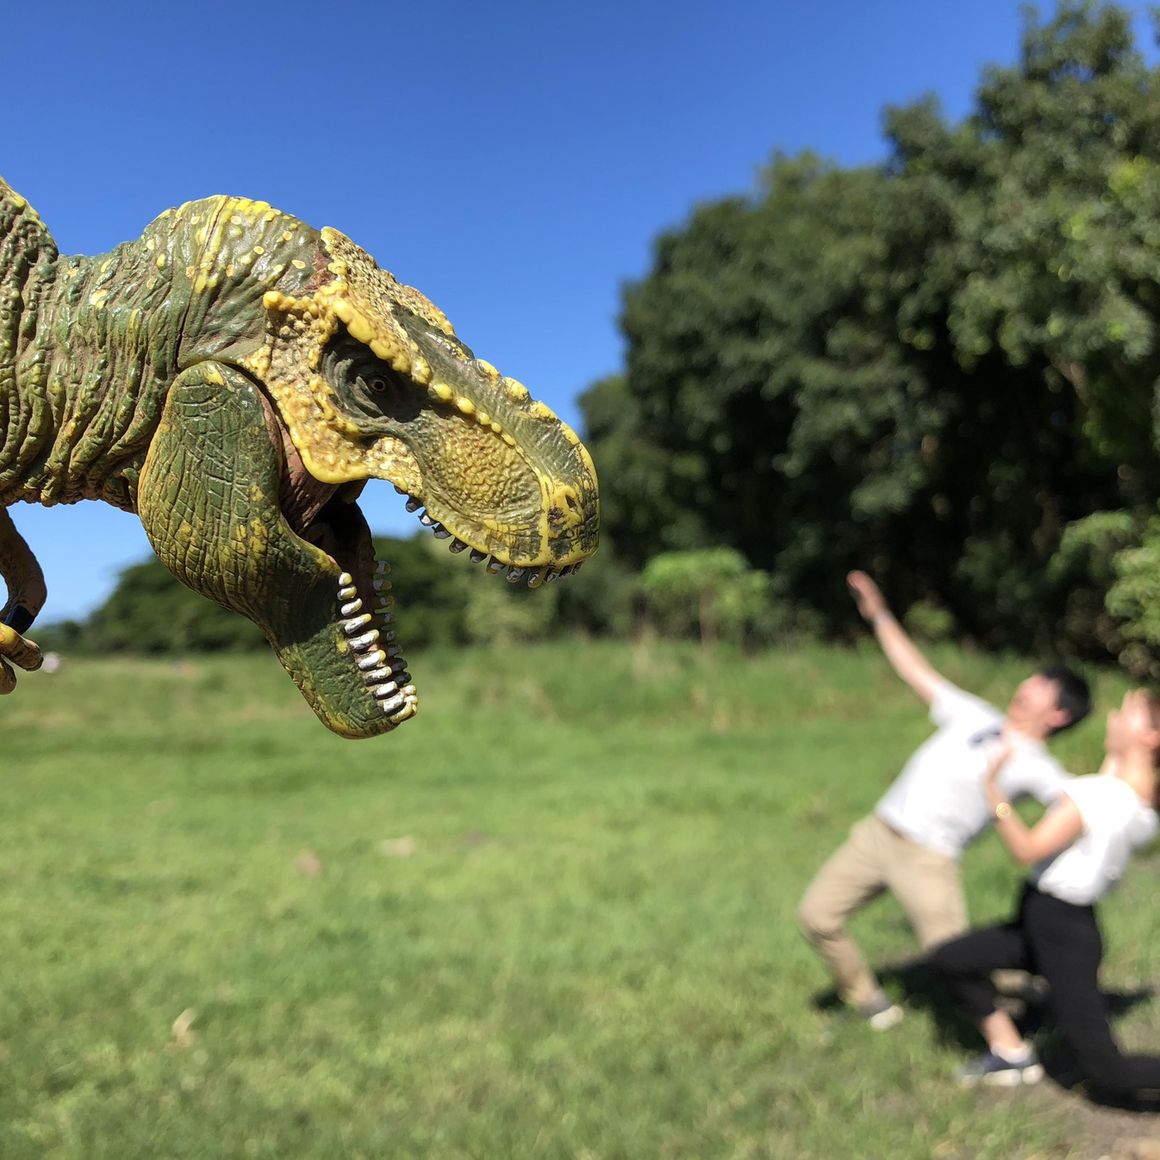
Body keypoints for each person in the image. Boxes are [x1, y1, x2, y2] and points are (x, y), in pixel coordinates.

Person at [797, 571, 1092, 1029]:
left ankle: (1020, 1015)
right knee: (817, 917)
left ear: (1058, 714)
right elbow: (914, 669)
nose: (1027, 685)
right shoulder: (976, 715)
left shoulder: (1037, 764)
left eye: (1041, 686)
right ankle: (868, 1000)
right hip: (877, 834)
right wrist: (879, 615)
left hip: (928, 858)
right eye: (1033, 678)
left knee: (955, 959)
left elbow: (1083, 805)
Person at [928, 688, 1160, 1093]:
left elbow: (1027, 849)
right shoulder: (1142, 801)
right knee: (953, 959)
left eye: (1125, 715)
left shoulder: (1095, 794)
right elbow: (1113, 783)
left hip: (1060, 928)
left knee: (1108, 1072)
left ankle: (1025, 1034)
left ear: (1150, 737)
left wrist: (994, 793)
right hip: (1054, 921)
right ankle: (1011, 1052)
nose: (1113, 719)